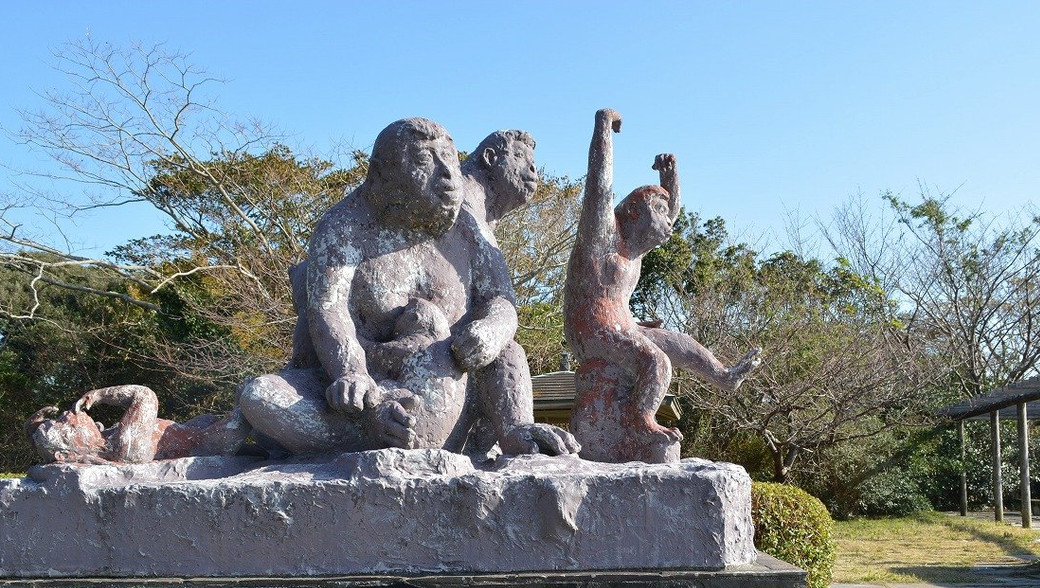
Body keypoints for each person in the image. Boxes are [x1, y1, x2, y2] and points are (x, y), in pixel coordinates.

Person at [242, 119, 576, 457]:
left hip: (454, 381)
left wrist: (490, 331)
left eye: (449, 158)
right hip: (366, 387)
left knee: (506, 349)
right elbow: (329, 309)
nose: (447, 173)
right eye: (425, 160)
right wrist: (352, 372)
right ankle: (374, 427)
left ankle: (516, 428)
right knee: (260, 395)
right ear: (384, 173)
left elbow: (500, 300)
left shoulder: (468, 226)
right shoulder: (344, 226)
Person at [564, 109, 760, 463]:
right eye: (658, 209)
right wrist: (603, 126)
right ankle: (641, 420)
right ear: (634, 213)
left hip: (623, 324)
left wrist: (671, 177)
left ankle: (725, 376)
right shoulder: (603, 237)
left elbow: (672, 212)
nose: (668, 221)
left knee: (680, 343)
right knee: (657, 361)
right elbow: (599, 186)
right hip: (591, 326)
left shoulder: (635, 251)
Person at [25, 385, 250, 464]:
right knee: (251, 395)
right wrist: (101, 394)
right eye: (64, 423)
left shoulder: (109, 440)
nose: (68, 414)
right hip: (214, 441)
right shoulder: (125, 446)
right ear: (71, 450)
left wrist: (32, 427)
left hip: (203, 432)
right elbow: (145, 396)